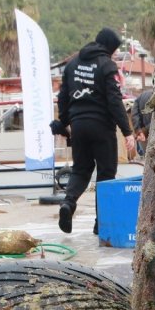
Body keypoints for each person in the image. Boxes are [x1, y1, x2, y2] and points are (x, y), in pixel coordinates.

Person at [52, 27, 134, 234]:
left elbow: (63, 98)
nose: (114, 53)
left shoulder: (72, 65)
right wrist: (127, 131)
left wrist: (65, 122)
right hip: (102, 127)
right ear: (108, 46)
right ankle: (101, 222)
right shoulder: (106, 65)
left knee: (81, 169)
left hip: (79, 126)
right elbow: (114, 100)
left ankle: (68, 203)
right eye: (114, 49)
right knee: (106, 174)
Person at [131, 87, 153, 159]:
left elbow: (134, 114)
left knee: (148, 159)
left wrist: (138, 130)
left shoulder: (142, 95)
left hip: (143, 135)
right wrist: (144, 131)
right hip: (154, 134)